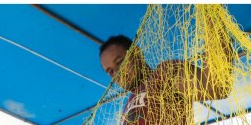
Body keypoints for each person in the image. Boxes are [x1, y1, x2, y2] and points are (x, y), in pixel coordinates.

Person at [99, 28, 235, 124]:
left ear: (137, 54)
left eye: (120, 62)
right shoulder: (128, 103)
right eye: (110, 71)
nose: (117, 73)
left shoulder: (164, 74)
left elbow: (215, 85)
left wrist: (210, 10)